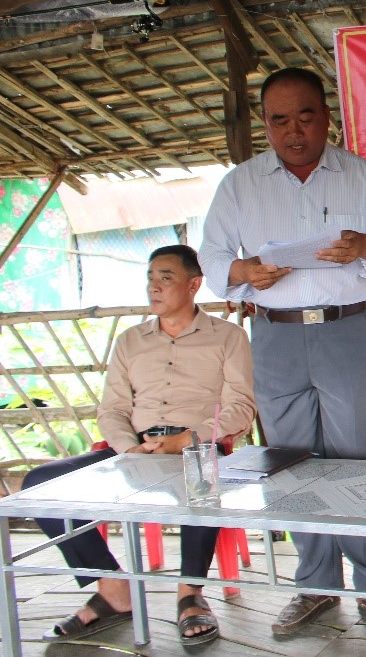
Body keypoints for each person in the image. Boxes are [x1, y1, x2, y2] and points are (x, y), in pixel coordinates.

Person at [198, 67, 366, 638]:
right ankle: (316, 585)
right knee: (290, 461)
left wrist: (365, 245)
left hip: (346, 330)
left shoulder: (362, 177)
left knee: (358, 459)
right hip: (275, 335)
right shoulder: (240, 185)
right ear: (265, 124)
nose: (294, 131)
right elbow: (212, 258)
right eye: (280, 121)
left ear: (326, 117)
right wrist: (243, 271)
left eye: (305, 117)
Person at [22, 245, 256, 646]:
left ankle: (190, 594)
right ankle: (113, 587)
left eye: (165, 278)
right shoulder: (130, 341)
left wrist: (187, 439)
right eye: (150, 278)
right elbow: (112, 409)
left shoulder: (228, 337)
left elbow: (240, 408)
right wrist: (129, 449)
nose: (154, 287)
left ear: (194, 284)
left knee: (204, 479)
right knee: (38, 484)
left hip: (195, 447)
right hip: (134, 450)